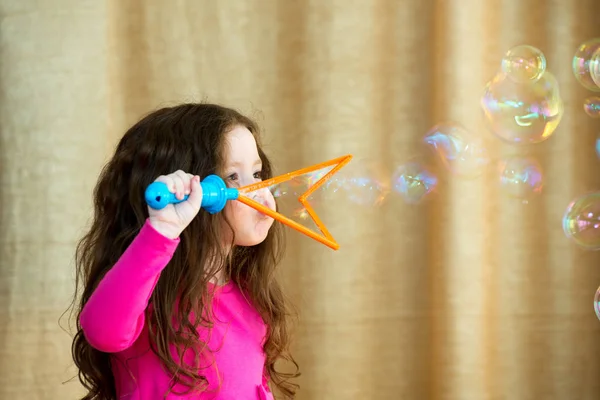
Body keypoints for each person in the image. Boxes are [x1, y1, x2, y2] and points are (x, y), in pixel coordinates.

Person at [70, 103, 299, 399]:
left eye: (257, 173)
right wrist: (162, 230)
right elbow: (102, 331)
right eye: (232, 177)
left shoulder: (248, 295)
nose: (260, 192)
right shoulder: (153, 299)